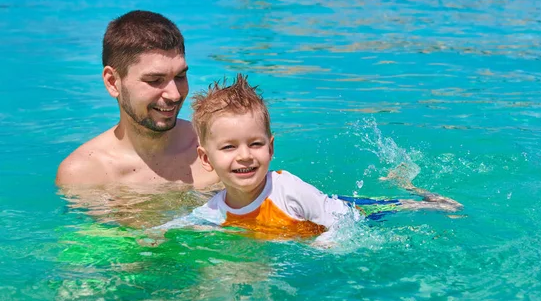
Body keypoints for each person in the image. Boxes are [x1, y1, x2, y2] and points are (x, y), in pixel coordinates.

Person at [156, 75, 462, 241]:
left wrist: (325, 245)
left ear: (271, 148)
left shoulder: (288, 190)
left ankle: (423, 196)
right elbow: (191, 221)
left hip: (346, 213)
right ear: (205, 159)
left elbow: (341, 227)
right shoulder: (215, 208)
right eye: (229, 147)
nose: (245, 156)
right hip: (308, 222)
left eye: (255, 143)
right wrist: (156, 235)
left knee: (390, 209)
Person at [55, 10, 219, 189]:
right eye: (154, 80)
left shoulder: (217, 149)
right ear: (112, 82)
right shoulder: (85, 174)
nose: (175, 95)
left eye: (180, 76)